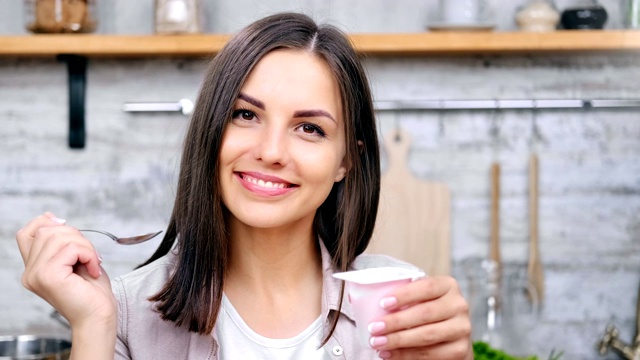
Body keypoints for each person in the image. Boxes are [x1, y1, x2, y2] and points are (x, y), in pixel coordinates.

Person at [16, 12, 473, 360]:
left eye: (310, 128)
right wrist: (93, 326)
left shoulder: (397, 305)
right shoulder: (124, 312)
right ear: (212, 131)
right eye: (245, 115)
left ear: (346, 161)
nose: (272, 151)